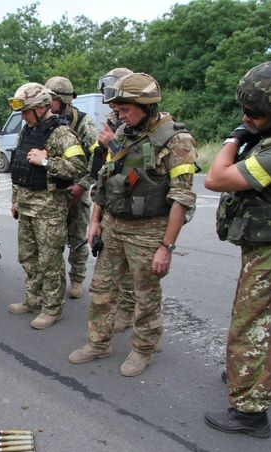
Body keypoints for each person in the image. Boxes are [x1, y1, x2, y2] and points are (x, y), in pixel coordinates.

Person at [203, 61, 271, 438]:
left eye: (255, 114)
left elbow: (216, 179)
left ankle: (250, 411)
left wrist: (233, 140)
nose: (247, 117)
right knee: (261, 323)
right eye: (244, 111)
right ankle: (244, 374)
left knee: (258, 325)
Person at [68, 73, 198, 375]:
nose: (119, 115)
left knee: (145, 296)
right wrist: (95, 222)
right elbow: (106, 178)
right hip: (114, 224)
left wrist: (166, 247)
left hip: (148, 229)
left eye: (125, 109)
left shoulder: (177, 140)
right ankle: (98, 343)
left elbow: (182, 197)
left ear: (147, 106)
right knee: (100, 289)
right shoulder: (124, 132)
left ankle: (144, 349)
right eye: (118, 110)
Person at [5, 83, 87, 329]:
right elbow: (19, 166)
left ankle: (53, 308)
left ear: (42, 108)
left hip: (50, 207)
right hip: (27, 204)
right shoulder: (27, 130)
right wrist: (16, 200)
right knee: (28, 257)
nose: (22, 117)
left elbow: (79, 166)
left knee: (49, 260)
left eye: (26, 111)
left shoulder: (62, 133)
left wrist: (47, 162)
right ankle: (33, 299)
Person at [44, 76, 98, 299]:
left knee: (77, 238)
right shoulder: (45, 121)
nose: (47, 103)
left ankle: (77, 278)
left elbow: (98, 156)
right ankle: (52, 283)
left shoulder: (84, 123)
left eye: (51, 99)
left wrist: (83, 185)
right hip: (52, 192)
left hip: (76, 190)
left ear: (63, 100)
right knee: (50, 240)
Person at [92, 67, 137, 332]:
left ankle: (127, 311)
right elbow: (105, 168)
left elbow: (137, 165)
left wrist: (111, 143)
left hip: (137, 203)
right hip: (112, 200)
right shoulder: (113, 119)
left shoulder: (142, 122)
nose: (112, 106)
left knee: (132, 271)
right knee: (111, 267)